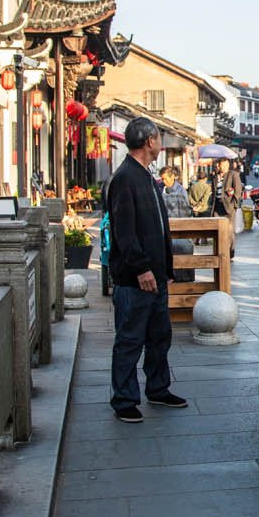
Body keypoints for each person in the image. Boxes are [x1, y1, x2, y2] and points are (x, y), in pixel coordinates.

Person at [105, 117, 188, 423]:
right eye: (157, 137)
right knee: (129, 339)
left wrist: (165, 267)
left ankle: (158, 387)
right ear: (149, 141)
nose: (160, 142)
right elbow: (124, 232)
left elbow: (157, 228)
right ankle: (124, 398)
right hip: (135, 279)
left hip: (156, 276)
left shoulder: (146, 176)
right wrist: (141, 268)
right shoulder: (125, 177)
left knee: (159, 336)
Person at [215, 158, 243, 258]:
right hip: (217, 206)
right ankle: (219, 251)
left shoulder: (233, 174)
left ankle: (230, 252)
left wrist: (234, 204)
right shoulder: (216, 176)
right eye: (221, 165)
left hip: (229, 206)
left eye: (225, 165)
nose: (223, 167)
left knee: (229, 231)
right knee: (217, 229)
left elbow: (238, 191)